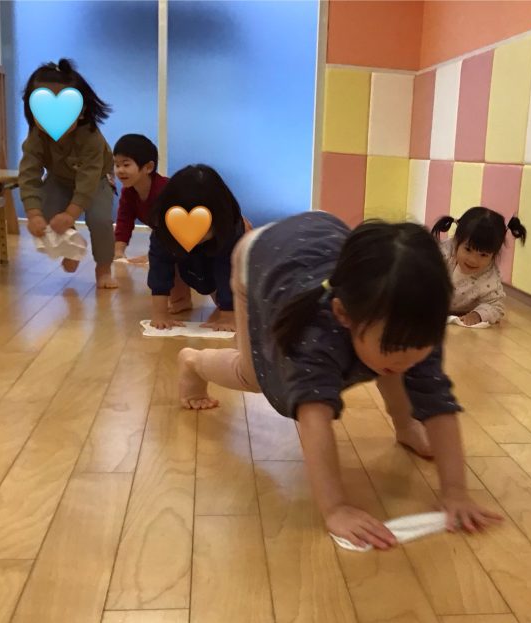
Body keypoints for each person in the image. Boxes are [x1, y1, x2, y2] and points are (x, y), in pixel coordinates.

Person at [176, 211, 502, 549]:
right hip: (258, 255)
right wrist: (336, 509)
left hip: (317, 239)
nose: (410, 357)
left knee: (394, 365)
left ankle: (405, 427)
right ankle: (192, 363)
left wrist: (455, 492)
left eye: (420, 347)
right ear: (343, 314)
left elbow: (438, 401)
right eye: (394, 346)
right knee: (253, 375)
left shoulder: (416, 322)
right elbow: (313, 419)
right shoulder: (314, 336)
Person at [18, 58, 117, 289]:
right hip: (59, 179)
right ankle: (71, 246)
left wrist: (71, 214)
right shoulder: (36, 138)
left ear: (81, 112)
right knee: (48, 210)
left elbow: (88, 179)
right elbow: (29, 174)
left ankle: (103, 268)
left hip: (97, 181)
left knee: (100, 220)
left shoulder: (91, 138)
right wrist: (33, 214)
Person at [148, 165, 247, 331]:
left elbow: (229, 272)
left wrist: (228, 316)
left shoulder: (230, 230)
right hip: (186, 261)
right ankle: (182, 299)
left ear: (220, 218)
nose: (194, 234)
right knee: (171, 261)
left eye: (203, 226)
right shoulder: (164, 229)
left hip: (222, 256)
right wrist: (160, 314)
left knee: (232, 297)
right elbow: (159, 268)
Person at [113, 134, 191, 311]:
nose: (120, 170)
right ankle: (181, 300)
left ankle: (183, 299)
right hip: (170, 237)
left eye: (126, 164)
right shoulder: (129, 192)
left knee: (176, 261)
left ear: (148, 167)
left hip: (192, 232)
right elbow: (124, 219)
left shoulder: (164, 189)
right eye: (116, 165)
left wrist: (151, 255)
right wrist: (119, 251)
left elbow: (171, 230)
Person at [432, 207, 527, 325]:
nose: (473, 260)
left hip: (461, 315)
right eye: (468, 249)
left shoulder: (489, 277)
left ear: (493, 255)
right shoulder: (441, 255)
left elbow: (496, 306)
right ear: (456, 240)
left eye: (483, 255)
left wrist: (477, 315)